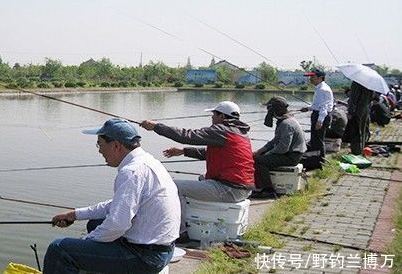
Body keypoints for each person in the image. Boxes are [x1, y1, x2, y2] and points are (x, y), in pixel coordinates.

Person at [43, 118, 181, 274]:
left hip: (145, 257)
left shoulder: (131, 171)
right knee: (95, 223)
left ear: (116, 145)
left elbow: (117, 224)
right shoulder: (148, 161)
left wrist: (82, 244)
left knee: (59, 249)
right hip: (162, 250)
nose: (99, 150)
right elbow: (117, 205)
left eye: (100, 144)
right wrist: (74, 214)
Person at [140, 101, 254, 241]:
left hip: (230, 189)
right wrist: (183, 151)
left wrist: (156, 127)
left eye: (214, 114)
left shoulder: (221, 130)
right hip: (241, 188)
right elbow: (212, 154)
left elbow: (187, 135)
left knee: (173, 187)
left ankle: (179, 232)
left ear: (222, 117)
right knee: (202, 178)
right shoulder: (239, 133)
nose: (212, 118)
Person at [251, 96, 307, 198]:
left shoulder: (286, 124)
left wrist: (267, 154)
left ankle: (268, 190)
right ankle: (260, 186)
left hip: (291, 156)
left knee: (259, 161)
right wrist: (260, 151)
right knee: (257, 156)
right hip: (288, 154)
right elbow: (274, 141)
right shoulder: (285, 121)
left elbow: (283, 148)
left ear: (274, 109)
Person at [300, 69, 334, 156]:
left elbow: (324, 107)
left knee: (318, 140)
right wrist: (308, 108)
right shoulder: (320, 88)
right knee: (315, 139)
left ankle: (320, 160)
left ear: (320, 78)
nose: (310, 78)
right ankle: (316, 158)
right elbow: (318, 105)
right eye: (310, 76)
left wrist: (320, 121)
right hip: (319, 114)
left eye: (313, 77)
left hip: (321, 116)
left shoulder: (322, 89)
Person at [343, 81, 374, 155]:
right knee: (362, 131)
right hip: (365, 109)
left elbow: (353, 99)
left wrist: (350, 112)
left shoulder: (356, 82)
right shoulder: (371, 84)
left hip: (357, 111)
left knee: (355, 132)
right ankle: (360, 150)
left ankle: (356, 152)